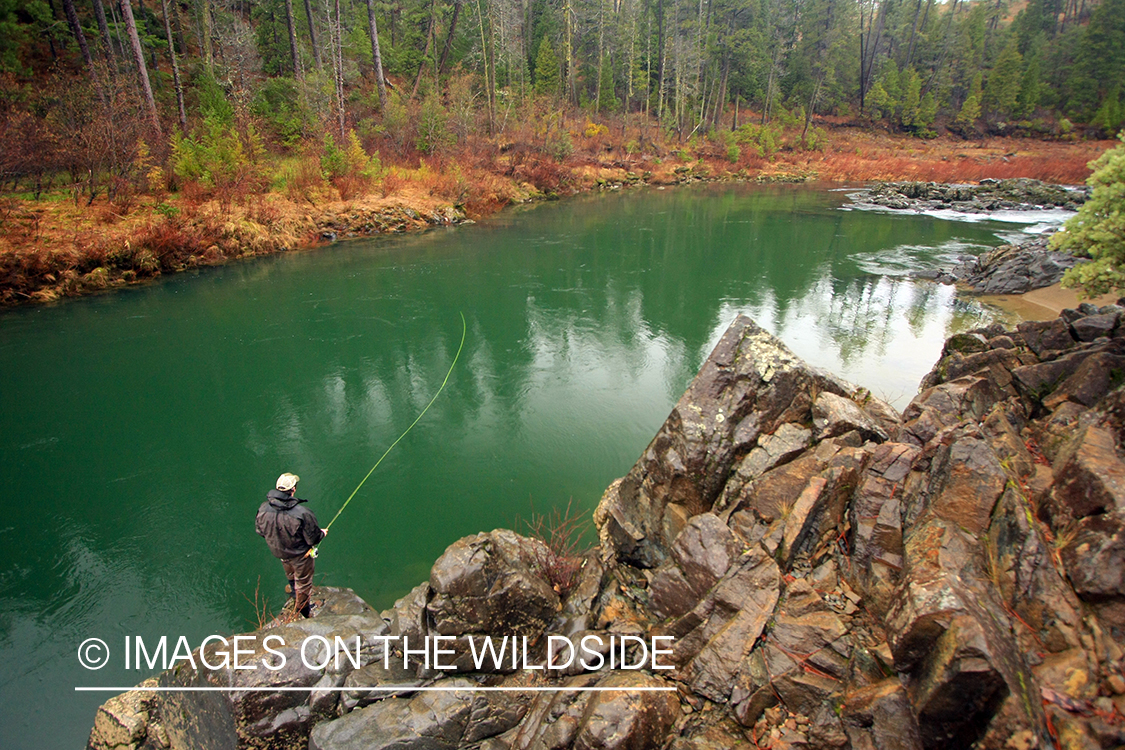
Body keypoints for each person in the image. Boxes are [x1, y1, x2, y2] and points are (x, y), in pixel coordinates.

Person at [255, 473, 328, 618]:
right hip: (300, 555)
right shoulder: (302, 513)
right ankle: (304, 612)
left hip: (279, 552)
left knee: (289, 572)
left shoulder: (263, 508)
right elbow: (313, 539)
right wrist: (322, 534)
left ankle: (293, 592)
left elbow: (260, 530)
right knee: (304, 582)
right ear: (293, 490)